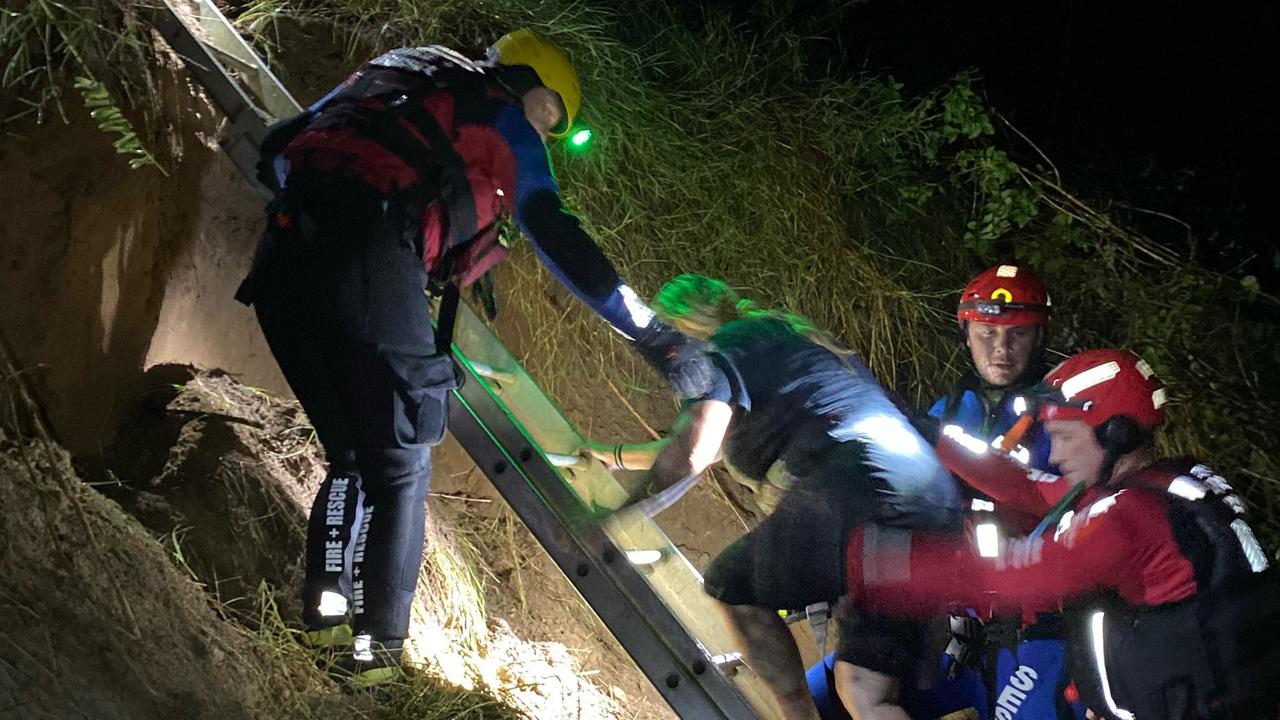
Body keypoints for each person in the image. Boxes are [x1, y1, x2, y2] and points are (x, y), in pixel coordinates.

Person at [235, 31, 712, 684]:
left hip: (282, 260)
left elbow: (277, 144)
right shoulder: (502, 116)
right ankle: (378, 655)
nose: (549, 138)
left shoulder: (399, 71)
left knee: (350, 455)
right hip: (371, 255)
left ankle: (324, 621)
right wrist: (659, 339)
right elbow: (555, 233)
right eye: (556, 121)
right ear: (532, 87)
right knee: (400, 468)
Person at [586, 274, 962, 719]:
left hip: (860, 487)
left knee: (732, 584)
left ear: (681, 329)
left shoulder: (723, 348)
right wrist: (606, 455)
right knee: (863, 687)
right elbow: (675, 449)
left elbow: (692, 452)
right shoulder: (787, 343)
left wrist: (605, 520)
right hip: (931, 501)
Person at [846, 349, 1280, 719]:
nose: (1053, 453)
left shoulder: (1128, 517)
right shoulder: (1177, 480)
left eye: (1063, 436)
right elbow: (1030, 486)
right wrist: (932, 435)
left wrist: (885, 563)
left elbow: (1016, 576)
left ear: (1115, 433)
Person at [810, 264, 1086, 720]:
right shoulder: (952, 408)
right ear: (965, 333)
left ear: (1039, 337)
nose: (1001, 349)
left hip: (1031, 632)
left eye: (1017, 334)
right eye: (986, 332)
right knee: (821, 697)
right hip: (951, 625)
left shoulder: (1064, 421)